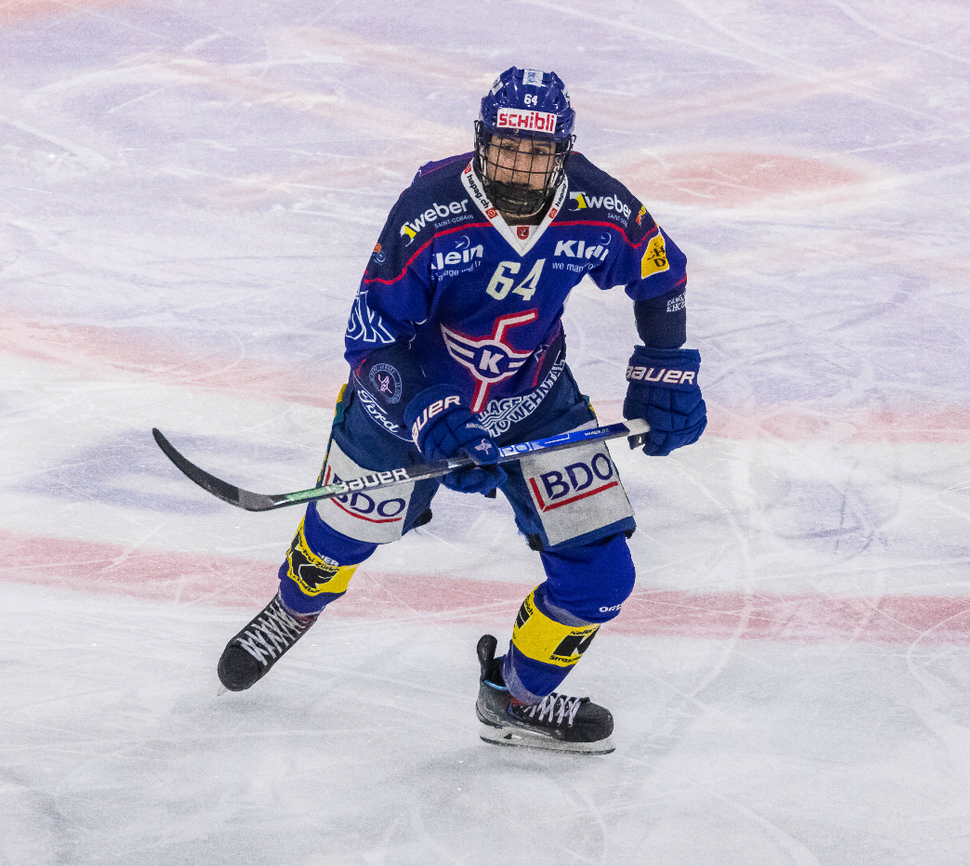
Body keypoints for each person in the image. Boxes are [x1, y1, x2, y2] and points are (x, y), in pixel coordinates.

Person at [216, 67, 706, 754]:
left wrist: (666, 373)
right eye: (507, 148)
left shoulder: (600, 206)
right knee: (337, 541)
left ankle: (516, 696)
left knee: (602, 576)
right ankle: (294, 606)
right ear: (483, 142)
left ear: (562, 151)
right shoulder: (430, 210)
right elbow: (372, 336)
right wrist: (430, 410)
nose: (519, 168)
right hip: (406, 410)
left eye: (537, 154)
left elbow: (662, 274)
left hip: (536, 403)